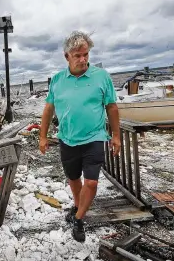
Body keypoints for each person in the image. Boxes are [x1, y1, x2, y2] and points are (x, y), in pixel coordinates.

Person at [39, 30, 120, 242]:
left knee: (91, 183)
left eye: (86, 54)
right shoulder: (57, 80)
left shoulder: (101, 76)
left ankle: (78, 218)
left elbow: (111, 107)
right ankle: (78, 208)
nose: (83, 59)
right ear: (67, 57)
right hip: (67, 139)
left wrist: (116, 136)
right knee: (73, 179)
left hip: (94, 137)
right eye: (78, 56)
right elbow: (48, 110)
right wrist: (42, 136)